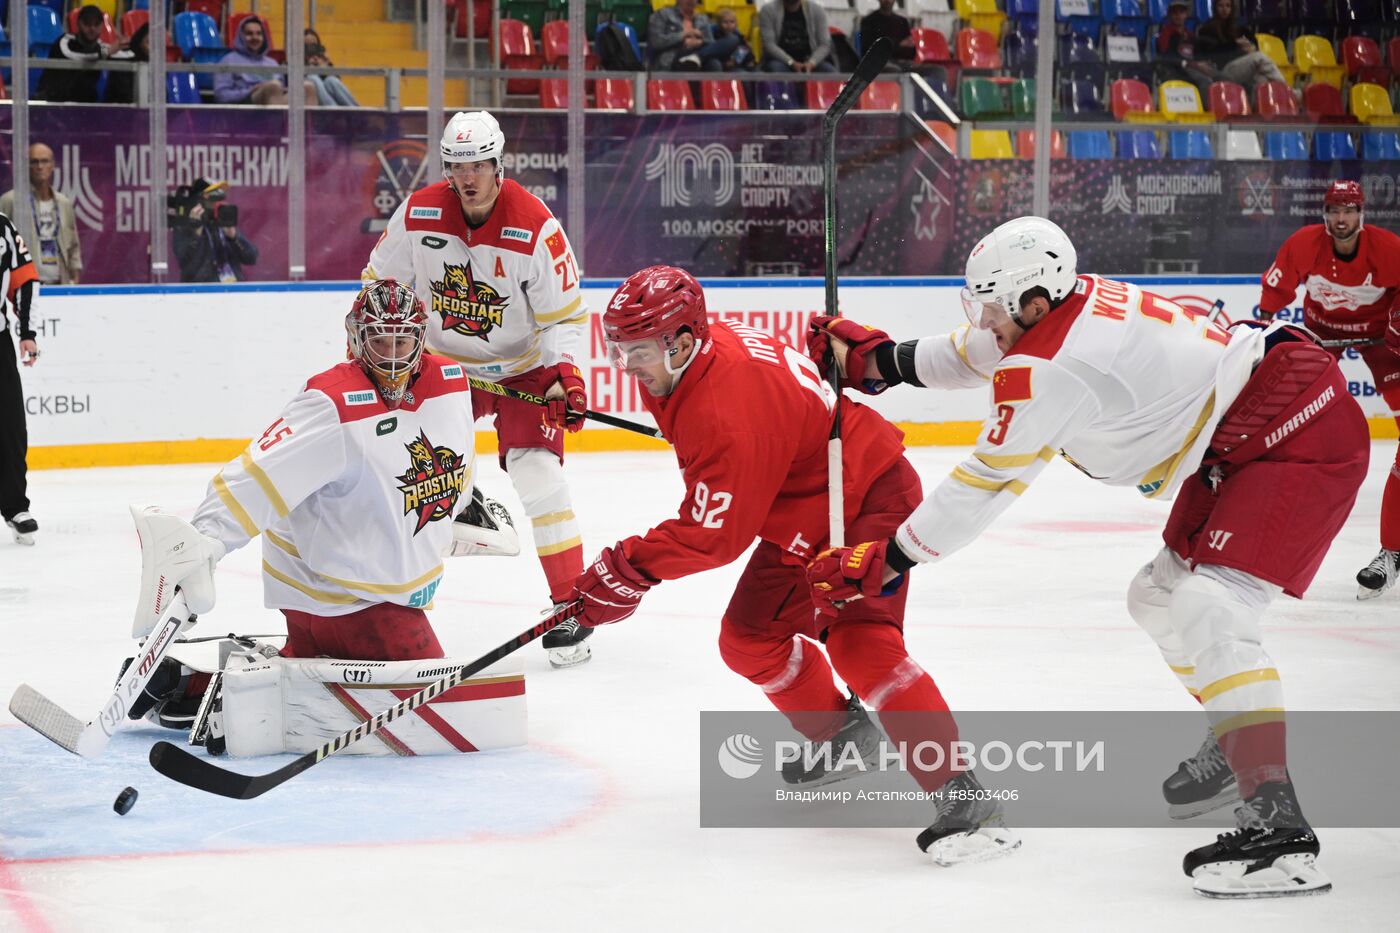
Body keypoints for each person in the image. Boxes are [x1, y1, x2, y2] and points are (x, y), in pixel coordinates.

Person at [805, 216, 1368, 897]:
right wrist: (884, 361)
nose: (984, 322)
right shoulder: (1059, 312)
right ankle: (1236, 739)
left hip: (1294, 425)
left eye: (992, 307)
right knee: (1156, 596)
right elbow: (979, 350)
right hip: (1248, 429)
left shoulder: (1053, 365)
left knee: (1209, 607)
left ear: (1034, 302)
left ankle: (1282, 831)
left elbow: (985, 481)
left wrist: (888, 559)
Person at [568, 265, 1021, 865]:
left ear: (680, 340)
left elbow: (715, 535)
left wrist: (630, 570)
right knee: (749, 639)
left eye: (638, 352)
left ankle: (967, 800)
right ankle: (842, 735)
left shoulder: (723, 407)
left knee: (861, 646)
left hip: (862, 498)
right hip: (802, 511)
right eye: (617, 350)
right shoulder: (698, 356)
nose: (626, 367)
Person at [124, 280, 527, 757]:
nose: (393, 355)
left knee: (326, 674)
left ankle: (188, 686)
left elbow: (445, 444)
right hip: (340, 595)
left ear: (421, 339)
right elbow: (254, 477)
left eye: (403, 340)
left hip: (364, 591)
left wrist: (461, 502)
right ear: (356, 338)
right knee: (438, 712)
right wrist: (205, 543)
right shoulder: (331, 403)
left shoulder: (452, 383)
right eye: (380, 339)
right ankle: (228, 708)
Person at [363, 111, 594, 667]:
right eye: (457, 166)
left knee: (541, 479)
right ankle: (396, 603)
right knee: (411, 480)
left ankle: (573, 608)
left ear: (498, 164)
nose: (468, 177)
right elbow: (378, 283)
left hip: (522, 369)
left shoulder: (535, 226)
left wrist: (565, 372)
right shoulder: (419, 213)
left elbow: (564, 315)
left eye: (479, 166)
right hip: (445, 370)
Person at [1259, 180, 1400, 599]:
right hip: (1321, 333)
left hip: (1382, 340)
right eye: (1335, 211)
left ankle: (1393, 551)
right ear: (1324, 215)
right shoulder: (1305, 245)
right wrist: (1266, 336)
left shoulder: (1388, 249)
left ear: (1362, 214)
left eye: (1350, 210)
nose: (1342, 219)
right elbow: (1274, 294)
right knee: (1282, 416)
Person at [0, 214, 40, 545]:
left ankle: (14, 506)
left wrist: (27, 331)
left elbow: (24, 279)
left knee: (11, 425)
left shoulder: (2, 226)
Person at [0, 143, 83, 285]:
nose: (39, 167)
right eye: (34, 162)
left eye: (45, 161)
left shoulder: (63, 203)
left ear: (53, 165)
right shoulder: (11, 201)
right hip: (23, 288)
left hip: (59, 286)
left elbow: (73, 246)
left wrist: (74, 280)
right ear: (26, 166)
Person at [215, 15, 316, 106]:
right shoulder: (228, 60)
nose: (255, 37)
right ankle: (276, 126)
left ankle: (310, 126)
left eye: (259, 34)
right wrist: (251, 90)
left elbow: (282, 89)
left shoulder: (272, 63)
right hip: (246, 107)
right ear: (241, 37)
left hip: (277, 102)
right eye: (249, 34)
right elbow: (221, 96)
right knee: (272, 87)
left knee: (307, 87)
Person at [171, 179, 258, 283]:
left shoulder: (223, 221)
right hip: (202, 293)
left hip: (232, 291)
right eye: (213, 198)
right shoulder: (184, 226)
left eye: (220, 197)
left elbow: (252, 258)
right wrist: (196, 233)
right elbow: (186, 264)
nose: (218, 202)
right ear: (198, 201)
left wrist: (234, 237)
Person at [36, 5, 121, 103]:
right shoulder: (65, 41)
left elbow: (116, 54)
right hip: (54, 101)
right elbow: (80, 57)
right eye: (87, 24)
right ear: (79, 23)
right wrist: (106, 52)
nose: (92, 28)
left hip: (85, 104)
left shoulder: (100, 47)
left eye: (96, 24)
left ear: (102, 25)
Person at [1193, 0, 1285, 89]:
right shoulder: (1207, 28)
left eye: (1228, 6)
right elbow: (1216, 53)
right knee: (1259, 57)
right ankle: (1288, 91)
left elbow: (1253, 43)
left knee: (1263, 79)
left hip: (1240, 66)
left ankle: (1288, 96)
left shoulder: (1238, 26)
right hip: (1223, 69)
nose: (1224, 9)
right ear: (1215, 8)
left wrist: (1251, 48)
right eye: (1221, 6)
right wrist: (1236, 45)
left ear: (1232, 8)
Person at [647, 0, 743, 71]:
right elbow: (656, 42)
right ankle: (695, 58)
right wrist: (684, 36)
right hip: (673, 57)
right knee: (691, 65)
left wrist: (699, 42)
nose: (691, 1)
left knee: (731, 41)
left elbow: (711, 43)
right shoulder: (662, 14)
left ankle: (697, 57)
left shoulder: (702, 19)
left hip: (699, 55)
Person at [1155, 0, 1213, 99]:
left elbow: (1196, 53)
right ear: (1169, 15)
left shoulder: (1189, 35)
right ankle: (1206, 111)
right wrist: (1192, 64)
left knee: (1221, 77)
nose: (1178, 16)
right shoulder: (1165, 35)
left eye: (1181, 12)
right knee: (1205, 81)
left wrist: (1203, 62)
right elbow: (1166, 57)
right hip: (1178, 68)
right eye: (1175, 13)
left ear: (1186, 15)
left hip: (1193, 66)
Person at [759, 0, 835, 73]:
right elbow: (769, 44)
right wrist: (791, 63)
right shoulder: (768, 10)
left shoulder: (817, 10)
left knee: (829, 71)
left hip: (811, 62)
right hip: (781, 61)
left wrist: (812, 63)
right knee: (775, 69)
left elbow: (825, 44)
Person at [304, 28, 359, 106]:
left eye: (314, 45)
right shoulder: (294, 60)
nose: (311, 49)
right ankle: (335, 114)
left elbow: (337, 80)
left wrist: (324, 69)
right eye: (307, 46)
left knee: (331, 80)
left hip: (326, 97)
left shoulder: (323, 58)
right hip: (308, 96)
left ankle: (359, 113)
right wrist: (308, 67)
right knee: (313, 78)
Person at [106, 22, 150, 104]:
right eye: (148, 42)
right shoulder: (123, 60)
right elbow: (124, 96)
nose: (153, 48)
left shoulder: (158, 67)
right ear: (140, 42)